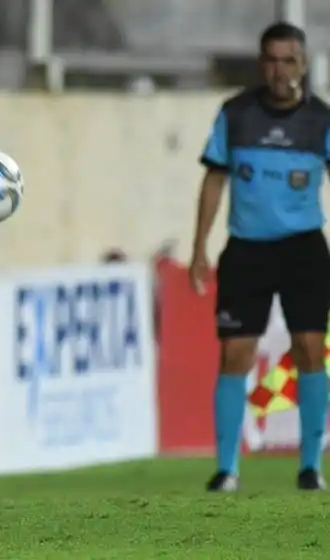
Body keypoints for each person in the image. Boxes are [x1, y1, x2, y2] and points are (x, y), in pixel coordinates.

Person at [189, 22, 330, 492]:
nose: (279, 70)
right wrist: (199, 248)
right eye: (271, 60)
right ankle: (227, 469)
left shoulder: (321, 120)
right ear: (260, 64)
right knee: (235, 354)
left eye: (289, 61)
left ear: (303, 65)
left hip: (303, 248)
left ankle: (310, 466)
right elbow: (214, 179)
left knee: (310, 349)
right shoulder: (236, 114)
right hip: (247, 249)